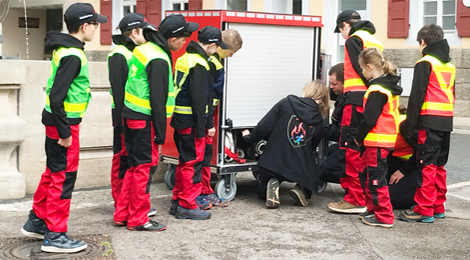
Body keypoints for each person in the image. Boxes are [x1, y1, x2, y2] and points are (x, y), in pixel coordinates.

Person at [20, 3, 107, 253]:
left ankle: (37, 222)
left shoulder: (65, 49)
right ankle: (55, 235)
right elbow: (58, 96)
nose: (97, 28)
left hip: (56, 123)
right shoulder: (73, 54)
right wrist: (66, 133)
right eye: (95, 24)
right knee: (63, 177)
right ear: (85, 26)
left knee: (52, 173)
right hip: (64, 126)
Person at [113, 14, 197, 231]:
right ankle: (139, 219)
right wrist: (161, 131)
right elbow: (157, 99)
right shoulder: (158, 57)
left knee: (133, 168)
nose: (185, 41)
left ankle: (122, 214)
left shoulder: (144, 49)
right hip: (145, 120)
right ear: (172, 39)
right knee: (143, 169)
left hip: (131, 116)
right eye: (183, 37)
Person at [398, 24, 455, 223]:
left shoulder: (425, 62)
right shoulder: (449, 65)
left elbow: (416, 97)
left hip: (428, 121)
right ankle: (438, 206)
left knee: (426, 165)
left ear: (423, 42)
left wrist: (409, 126)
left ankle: (424, 209)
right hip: (446, 121)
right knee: (439, 164)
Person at [170, 26, 228, 220]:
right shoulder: (200, 64)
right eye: (216, 46)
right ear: (211, 44)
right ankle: (187, 204)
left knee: (184, 161)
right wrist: (207, 125)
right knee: (192, 163)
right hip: (192, 121)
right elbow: (200, 100)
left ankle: (178, 201)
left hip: (180, 118)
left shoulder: (185, 58)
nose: (216, 51)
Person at [242, 80, 329, 209]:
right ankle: (301, 189)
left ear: (307, 91)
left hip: (273, 161)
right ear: (323, 98)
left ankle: (271, 184)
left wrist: (249, 138)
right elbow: (312, 147)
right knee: (311, 167)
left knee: (262, 188)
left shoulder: (287, 102)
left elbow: (264, 126)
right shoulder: (319, 120)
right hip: (299, 167)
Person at [328, 10, 383, 214]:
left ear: (345, 25)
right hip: (369, 98)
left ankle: (354, 199)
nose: (342, 35)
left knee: (350, 149)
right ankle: (363, 197)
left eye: (340, 30)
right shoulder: (374, 41)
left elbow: (362, 70)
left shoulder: (353, 39)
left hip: (356, 99)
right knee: (361, 151)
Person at [108, 13, 157, 217]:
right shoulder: (120, 53)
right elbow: (119, 91)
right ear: (133, 32)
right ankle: (121, 202)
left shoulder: (134, 52)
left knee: (132, 160)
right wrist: (121, 121)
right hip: (124, 115)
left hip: (131, 114)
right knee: (123, 159)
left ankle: (129, 202)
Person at [354, 46, 402, 228]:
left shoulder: (377, 89)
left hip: (376, 140)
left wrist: (358, 137)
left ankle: (384, 215)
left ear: (368, 67)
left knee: (375, 178)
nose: (361, 73)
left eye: (361, 68)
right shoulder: (387, 86)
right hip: (381, 140)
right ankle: (373, 209)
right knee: (366, 173)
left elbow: (368, 119)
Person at [196, 29, 243, 209]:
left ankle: (205, 190)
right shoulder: (212, 64)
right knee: (202, 157)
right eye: (231, 52)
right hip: (207, 115)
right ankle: (202, 193)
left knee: (204, 156)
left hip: (207, 114)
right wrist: (209, 121)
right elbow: (208, 95)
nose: (231, 56)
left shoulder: (212, 60)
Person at [387, 105, 419, 209]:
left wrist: (403, 171)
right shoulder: (384, 123)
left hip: (417, 167)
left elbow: (423, 151)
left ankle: (431, 195)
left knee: (393, 199)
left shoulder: (402, 125)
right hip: (399, 162)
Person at [319, 63, 346, 184]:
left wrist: (320, 128)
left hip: (350, 146)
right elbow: (327, 93)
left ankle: (355, 182)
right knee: (327, 152)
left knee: (322, 170)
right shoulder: (342, 96)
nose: (331, 87)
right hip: (343, 143)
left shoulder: (350, 103)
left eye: (334, 84)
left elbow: (342, 133)